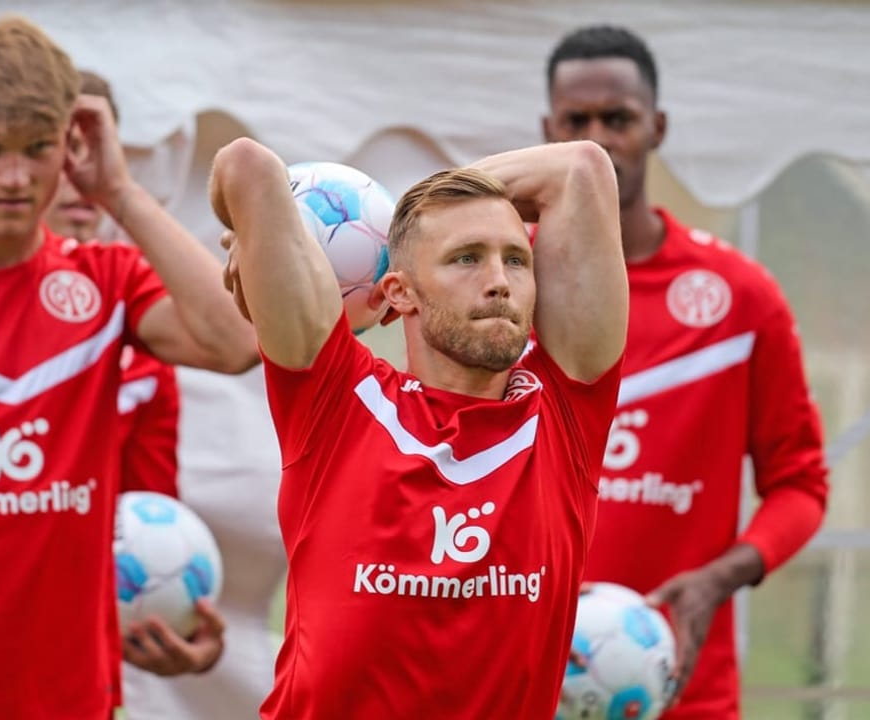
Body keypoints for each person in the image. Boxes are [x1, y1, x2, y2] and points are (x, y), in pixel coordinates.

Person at [0, 16, 259, 720]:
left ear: (69, 147)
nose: (14, 177)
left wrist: (121, 194)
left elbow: (238, 344)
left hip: (73, 699)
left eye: (38, 149)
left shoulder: (105, 281)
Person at [209, 135, 628, 717]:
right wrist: (400, 226)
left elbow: (582, 169)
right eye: (465, 257)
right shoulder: (337, 399)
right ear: (398, 292)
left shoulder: (565, 416)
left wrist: (429, 209)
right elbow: (248, 167)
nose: (500, 280)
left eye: (516, 258)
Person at [542, 25, 829, 719]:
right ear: (546, 131)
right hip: (525, 678)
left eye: (619, 119)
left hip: (680, 689)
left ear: (658, 127)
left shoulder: (738, 297)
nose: (599, 139)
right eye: (576, 122)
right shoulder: (510, 285)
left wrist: (717, 580)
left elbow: (800, 484)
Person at [44, 69, 181, 500]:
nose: (81, 178)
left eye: (97, 153)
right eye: (63, 153)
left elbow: (151, 509)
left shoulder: (141, 303)